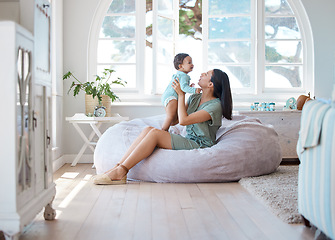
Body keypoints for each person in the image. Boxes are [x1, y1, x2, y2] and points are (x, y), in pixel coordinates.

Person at [93, 69, 233, 185]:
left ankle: (122, 170)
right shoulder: (195, 98)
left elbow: (184, 121)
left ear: (211, 84)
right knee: (148, 130)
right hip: (188, 138)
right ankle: (118, 167)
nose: (202, 73)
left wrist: (181, 94)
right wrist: (172, 98)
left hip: (200, 144)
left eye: (206, 74)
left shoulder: (215, 106)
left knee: (155, 134)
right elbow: (175, 121)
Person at [161, 53, 201, 131]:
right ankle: (163, 131)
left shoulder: (180, 75)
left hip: (168, 96)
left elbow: (182, 87)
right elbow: (183, 88)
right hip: (171, 97)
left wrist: (188, 86)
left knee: (172, 117)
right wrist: (194, 90)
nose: (192, 64)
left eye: (192, 62)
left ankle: (164, 131)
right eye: (189, 63)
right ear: (180, 66)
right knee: (170, 116)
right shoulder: (183, 76)